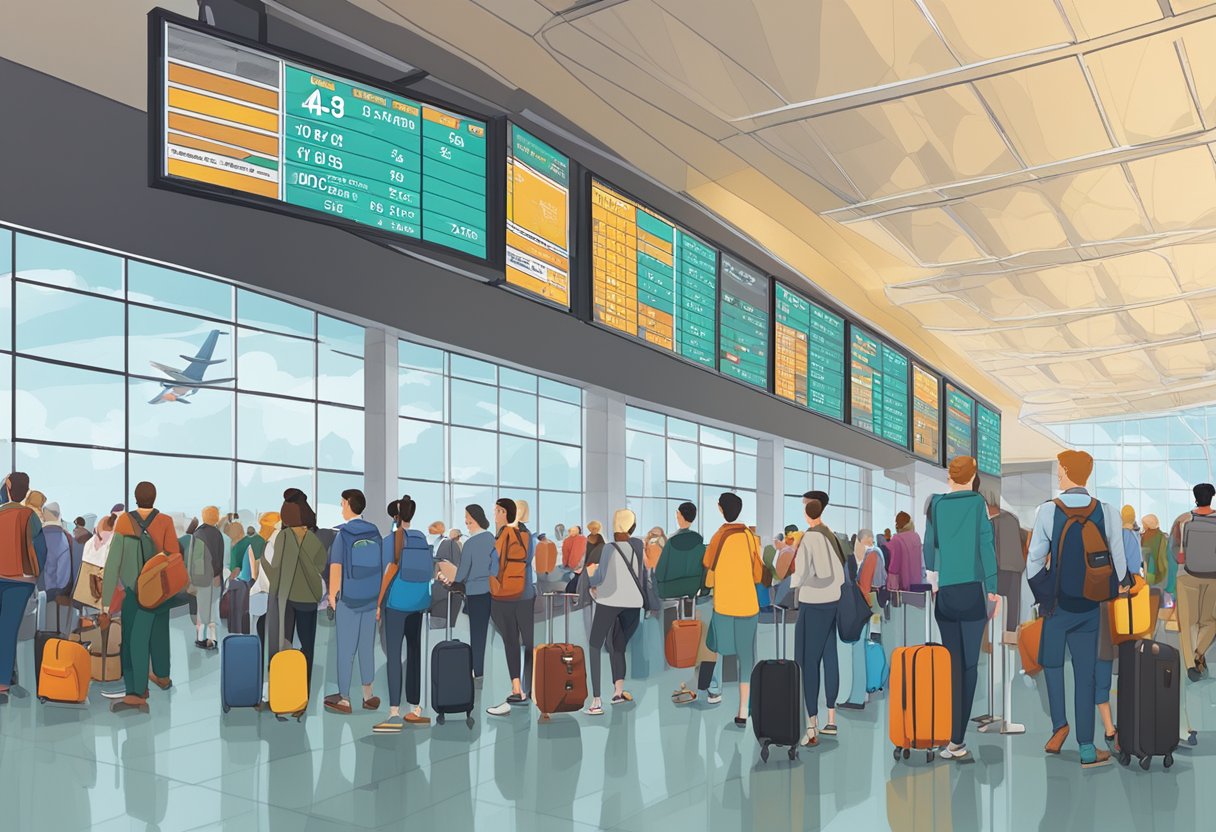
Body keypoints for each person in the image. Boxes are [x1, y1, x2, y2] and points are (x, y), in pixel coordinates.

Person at [1026, 450, 1127, 769]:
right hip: (1089, 607)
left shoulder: (1047, 511)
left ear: (1069, 472)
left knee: (1053, 666)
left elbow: (1033, 563)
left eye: (1060, 469)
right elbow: (1119, 560)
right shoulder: (1107, 511)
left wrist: (1046, 592)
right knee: (1085, 673)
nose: (1057, 474)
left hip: (1057, 604)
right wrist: (1114, 587)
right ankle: (1086, 746)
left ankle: (1059, 728)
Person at [923, 456, 999, 762]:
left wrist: (935, 580)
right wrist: (992, 589)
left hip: (946, 594)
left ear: (949, 477)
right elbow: (985, 546)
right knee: (969, 667)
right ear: (974, 476)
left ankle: (947, 731)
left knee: (950, 664)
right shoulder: (977, 504)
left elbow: (930, 547)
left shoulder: (937, 505)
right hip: (972, 592)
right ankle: (956, 739)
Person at [102, 481, 182, 712]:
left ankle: (137, 693)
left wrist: (106, 603)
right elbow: (174, 556)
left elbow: (113, 563)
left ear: (135, 498)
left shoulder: (125, 521)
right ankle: (163, 676)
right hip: (161, 591)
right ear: (154, 498)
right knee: (159, 634)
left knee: (134, 642)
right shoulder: (165, 521)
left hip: (135, 593)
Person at [702, 492, 764, 727]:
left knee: (716, 649)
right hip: (748, 604)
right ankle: (743, 709)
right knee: (746, 656)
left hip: (724, 605)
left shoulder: (718, 537)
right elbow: (757, 570)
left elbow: (709, 572)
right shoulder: (750, 536)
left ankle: (714, 690)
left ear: (720, 509)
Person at [373, 495, 432, 732]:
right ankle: (415, 709)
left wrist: (378, 604)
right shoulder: (421, 537)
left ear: (395, 517)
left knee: (394, 656)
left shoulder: (390, 541)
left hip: (396, 604)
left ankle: (394, 711)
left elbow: (385, 574)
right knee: (415, 653)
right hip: (418, 604)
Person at [325, 489, 384, 715]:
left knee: (346, 649)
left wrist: (332, 596)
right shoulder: (374, 531)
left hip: (348, 599)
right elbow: (380, 564)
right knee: (366, 647)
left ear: (349, 504)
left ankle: (344, 698)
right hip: (370, 598)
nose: (341, 508)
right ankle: (368, 695)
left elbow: (336, 567)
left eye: (342, 504)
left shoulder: (343, 534)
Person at [792, 498, 845, 746]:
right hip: (834, 602)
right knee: (829, 656)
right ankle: (831, 719)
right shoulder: (831, 535)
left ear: (806, 513)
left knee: (808, 661)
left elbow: (801, 573)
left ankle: (812, 724)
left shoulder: (810, 538)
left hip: (813, 604)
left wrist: (791, 583)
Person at [261, 490, 326, 689]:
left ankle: (282, 688)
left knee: (284, 643)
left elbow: (277, 568)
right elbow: (321, 565)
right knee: (307, 646)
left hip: (285, 597)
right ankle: (302, 692)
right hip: (307, 599)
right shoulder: (313, 538)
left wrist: (262, 562)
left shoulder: (283, 537)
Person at [583, 508, 646, 715]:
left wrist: (590, 575)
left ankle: (596, 700)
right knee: (618, 645)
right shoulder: (637, 546)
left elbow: (599, 578)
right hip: (633, 602)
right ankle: (618, 692)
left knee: (594, 644)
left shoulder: (609, 549)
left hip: (610, 600)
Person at [657, 502, 714, 705]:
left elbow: (661, 571)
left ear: (680, 516)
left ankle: (690, 677)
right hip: (695, 593)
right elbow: (705, 570)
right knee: (702, 637)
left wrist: (661, 588)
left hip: (672, 592)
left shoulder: (671, 544)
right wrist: (701, 589)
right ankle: (704, 685)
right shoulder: (700, 545)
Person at [487, 498, 536, 716]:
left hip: (504, 594)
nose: (495, 515)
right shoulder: (528, 536)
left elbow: (494, 564)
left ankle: (516, 688)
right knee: (529, 641)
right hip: (526, 593)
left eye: (497, 511)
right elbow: (528, 562)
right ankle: (531, 689)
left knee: (511, 641)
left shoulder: (503, 534)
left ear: (506, 513)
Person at [0, 473, 47, 696]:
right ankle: (3, 681)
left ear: (8, 487)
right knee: (8, 629)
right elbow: (40, 549)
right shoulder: (30, 515)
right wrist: (35, 577)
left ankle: (5, 676)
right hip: (21, 582)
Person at [442, 504, 495, 681]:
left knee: (477, 633)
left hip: (475, 593)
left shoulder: (471, 543)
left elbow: (463, 571)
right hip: (491, 591)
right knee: (490, 633)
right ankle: (489, 667)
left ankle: (477, 669)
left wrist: (453, 580)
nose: (465, 521)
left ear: (472, 518)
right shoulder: (492, 539)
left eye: (466, 517)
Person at [1175, 483, 1216, 683]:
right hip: (1213, 577)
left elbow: (1177, 554)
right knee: (1209, 621)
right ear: (1212, 497)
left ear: (1195, 497)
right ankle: (1199, 652)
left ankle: (1191, 664)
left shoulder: (1184, 521)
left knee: (1188, 622)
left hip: (1187, 576)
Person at [841, 529, 883, 710]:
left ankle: (857, 697)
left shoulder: (870, 555)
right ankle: (860, 695)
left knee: (858, 652)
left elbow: (864, 584)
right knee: (861, 650)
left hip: (860, 607)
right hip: (867, 606)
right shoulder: (874, 554)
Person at [986, 494, 1025, 638]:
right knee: (1013, 607)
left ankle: (993, 640)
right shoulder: (1013, 518)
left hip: (1000, 568)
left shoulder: (992, 522)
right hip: (1016, 568)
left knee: (995, 606)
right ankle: (1011, 638)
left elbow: (991, 547)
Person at [189, 506, 226, 650]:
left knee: (202, 611)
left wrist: (192, 580)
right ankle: (213, 639)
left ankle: (201, 638)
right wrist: (217, 574)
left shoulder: (198, 534)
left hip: (202, 579)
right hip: (215, 578)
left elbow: (195, 559)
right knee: (212, 610)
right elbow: (219, 557)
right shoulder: (218, 534)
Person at [887, 511, 925, 596]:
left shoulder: (896, 539)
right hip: (917, 584)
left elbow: (894, 566)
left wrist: (891, 587)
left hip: (902, 586)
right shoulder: (916, 537)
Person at [1141, 514, 1169, 588]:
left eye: (1144, 524)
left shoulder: (1143, 537)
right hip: (1159, 572)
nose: (1143, 526)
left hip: (1147, 572)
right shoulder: (1162, 536)